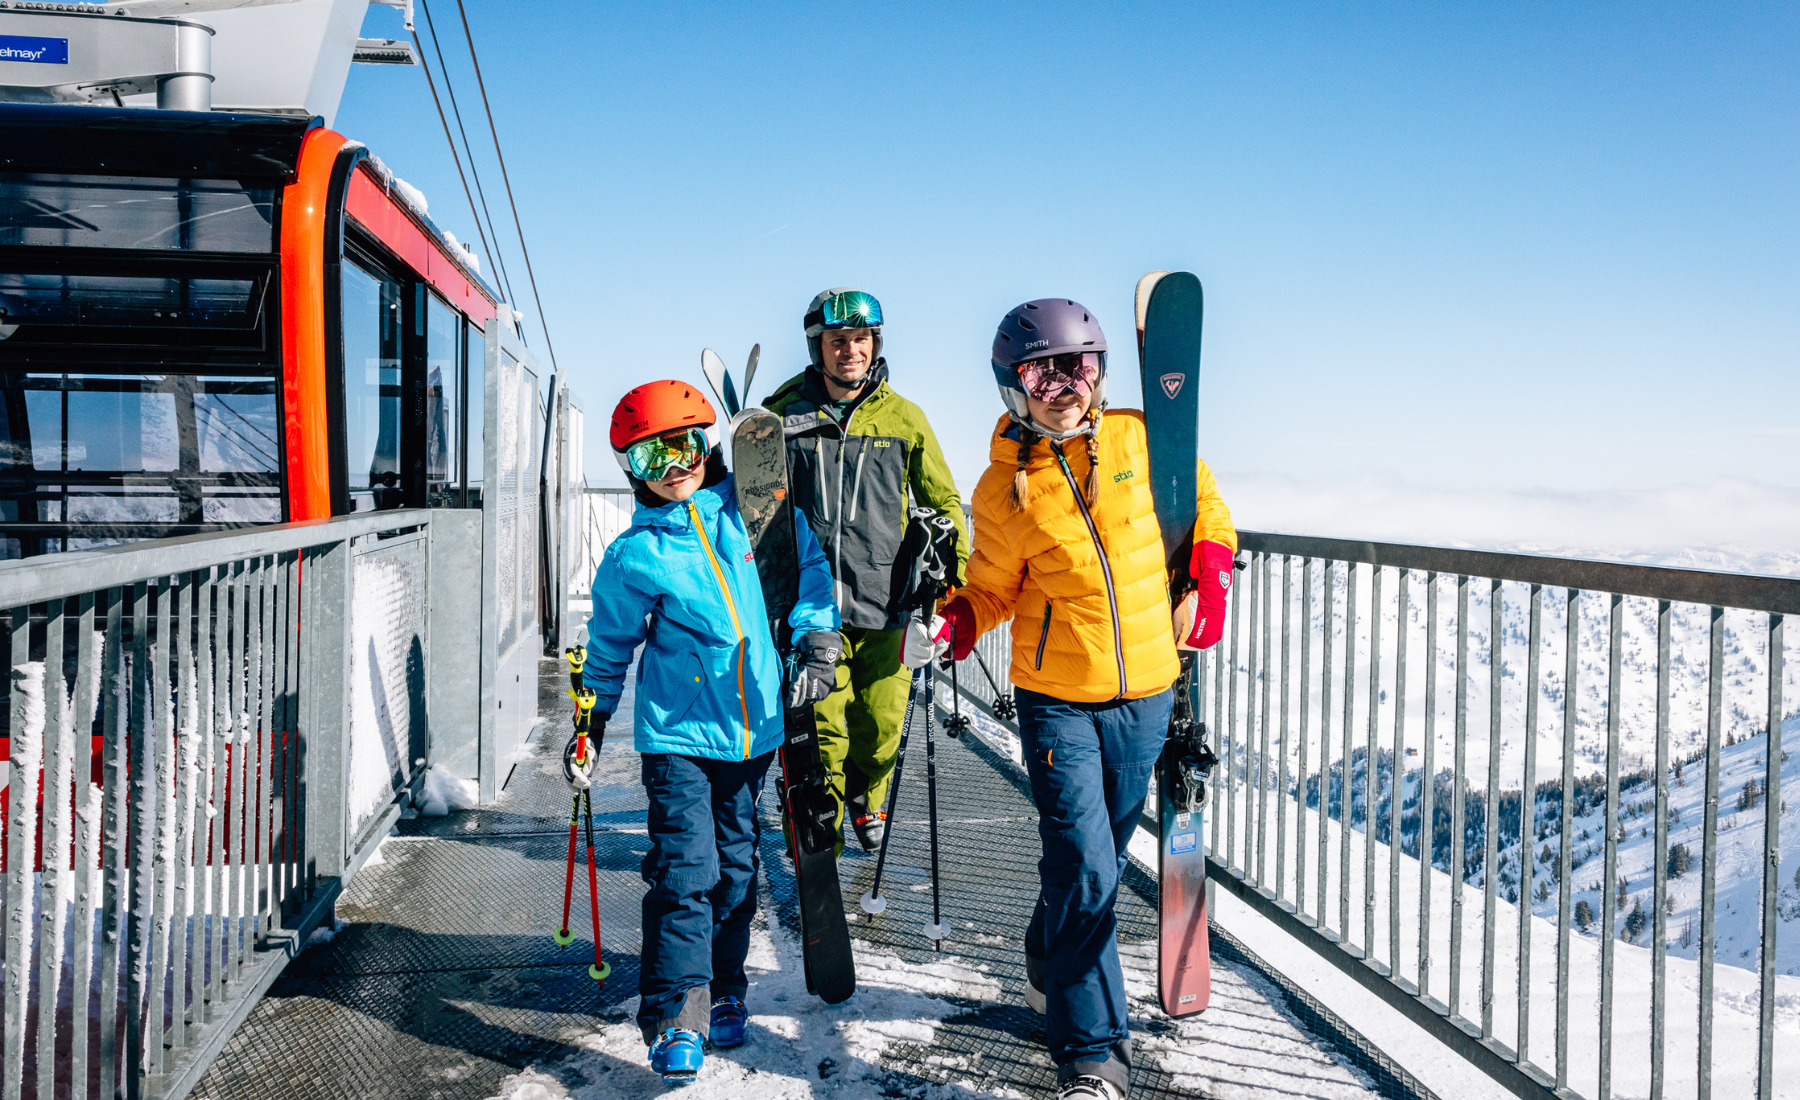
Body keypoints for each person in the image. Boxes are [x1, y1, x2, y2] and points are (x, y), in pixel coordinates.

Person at [904, 299, 1235, 1100]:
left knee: (1089, 864)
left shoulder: (1143, 439)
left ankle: (1047, 957)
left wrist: (1211, 576)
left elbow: (1208, 512)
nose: (1062, 384)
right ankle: (1093, 1055)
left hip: (1149, 693)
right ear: (1013, 385)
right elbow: (990, 591)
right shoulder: (1004, 488)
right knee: (1089, 868)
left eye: (1077, 364)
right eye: (1040, 370)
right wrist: (952, 626)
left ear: (1099, 370)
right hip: (1058, 699)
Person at [579, 380, 842, 1082]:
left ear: (710, 445)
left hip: (754, 736)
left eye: (686, 446)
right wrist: (592, 718)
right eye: (650, 457)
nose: (673, 467)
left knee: (734, 873)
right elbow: (608, 645)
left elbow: (809, 577)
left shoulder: (755, 514)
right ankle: (674, 1015)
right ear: (628, 469)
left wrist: (819, 640)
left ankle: (726, 990)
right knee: (684, 872)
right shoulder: (635, 555)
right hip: (679, 739)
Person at [762, 288, 968, 851]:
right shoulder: (783, 416)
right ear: (818, 348)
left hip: (889, 603)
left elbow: (946, 505)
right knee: (821, 728)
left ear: (874, 344)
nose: (849, 351)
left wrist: (948, 581)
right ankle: (813, 812)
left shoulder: (905, 418)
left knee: (879, 728)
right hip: (813, 605)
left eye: (859, 339)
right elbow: (753, 501)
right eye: (837, 341)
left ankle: (866, 799)